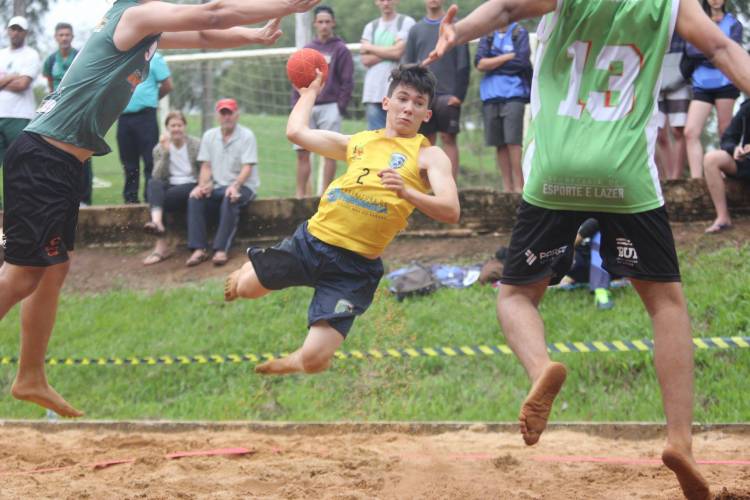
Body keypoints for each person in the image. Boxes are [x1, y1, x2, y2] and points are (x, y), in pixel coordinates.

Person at [426, 1, 750, 498]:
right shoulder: (668, 4)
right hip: (625, 173)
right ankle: (680, 442)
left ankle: (542, 369)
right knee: (665, 305)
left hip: (556, 170)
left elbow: (508, 7)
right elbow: (723, 47)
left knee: (515, 296)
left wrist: (458, 31)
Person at [0, 0, 320, 418]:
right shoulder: (134, 16)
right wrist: (286, 5)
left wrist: (253, 35)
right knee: (23, 275)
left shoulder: (145, 29)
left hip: (60, 163)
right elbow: (211, 14)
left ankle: (30, 375)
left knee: (52, 270)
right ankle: (29, 374)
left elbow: (204, 33)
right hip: (43, 157)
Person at [223, 64, 459, 376]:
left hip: (353, 269)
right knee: (247, 289)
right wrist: (309, 94)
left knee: (315, 361)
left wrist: (407, 192)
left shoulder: (429, 156)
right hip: (311, 242)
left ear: (426, 115)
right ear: (386, 103)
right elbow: (296, 132)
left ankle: (292, 362)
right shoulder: (358, 141)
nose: (408, 108)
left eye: (418, 103)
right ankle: (245, 271)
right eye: (402, 99)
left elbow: (451, 210)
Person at [186, 98, 259, 267]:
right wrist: (203, 185)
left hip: (245, 186)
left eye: (230, 113)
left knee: (230, 198)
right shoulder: (209, 136)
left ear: (237, 115)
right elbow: (205, 166)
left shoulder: (247, 135)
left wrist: (235, 186)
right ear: (218, 116)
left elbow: (247, 168)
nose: (227, 117)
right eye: (223, 113)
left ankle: (221, 249)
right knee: (195, 197)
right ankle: (198, 249)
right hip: (218, 186)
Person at [292, 5, 354, 198]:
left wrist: (339, 106)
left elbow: (347, 80)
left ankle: (325, 194)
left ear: (333, 23)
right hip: (308, 106)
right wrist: (298, 103)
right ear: (315, 24)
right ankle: (300, 195)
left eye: (328, 21)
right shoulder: (307, 50)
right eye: (320, 21)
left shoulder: (341, 49)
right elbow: (295, 79)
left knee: (329, 152)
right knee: (302, 152)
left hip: (330, 106)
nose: (324, 25)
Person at [404, 0, 470, 178]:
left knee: (449, 139)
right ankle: (424, 186)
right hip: (423, 95)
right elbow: (408, 64)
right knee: (424, 141)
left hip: (448, 95)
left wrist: (459, 94)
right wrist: (412, 94)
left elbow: (464, 63)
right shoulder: (415, 30)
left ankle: (450, 187)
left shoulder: (455, 27)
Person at [683, 0, 742, 179]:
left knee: (725, 130)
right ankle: (696, 179)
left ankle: (725, 175)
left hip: (726, 83)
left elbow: (733, 51)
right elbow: (691, 49)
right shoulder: (698, 20)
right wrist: (716, 52)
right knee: (690, 131)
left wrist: (711, 50)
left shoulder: (733, 23)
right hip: (702, 84)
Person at [474, 21, 531, 193]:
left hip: (514, 94)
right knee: (499, 143)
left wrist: (492, 62)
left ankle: (519, 186)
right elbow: (480, 64)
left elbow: (521, 62)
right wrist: (507, 57)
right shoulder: (488, 34)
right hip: (491, 96)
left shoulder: (520, 32)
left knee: (513, 141)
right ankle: (507, 187)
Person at [43, 22, 95, 206]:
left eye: (67, 34)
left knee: (83, 153)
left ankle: (85, 199)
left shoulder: (81, 56)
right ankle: (60, 197)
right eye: (61, 35)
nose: (64, 38)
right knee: (58, 154)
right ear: (56, 37)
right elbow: (50, 86)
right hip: (59, 114)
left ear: (72, 37)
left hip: (80, 111)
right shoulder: (50, 60)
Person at [142, 110, 201, 265]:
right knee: (153, 184)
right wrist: (166, 153)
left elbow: (204, 170)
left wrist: (202, 186)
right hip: (171, 186)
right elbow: (157, 175)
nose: (176, 129)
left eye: (179, 125)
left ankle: (160, 246)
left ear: (185, 126)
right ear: (167, 128)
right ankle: (157, 223)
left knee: (157, 200)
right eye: (172, 125)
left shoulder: (196, 145)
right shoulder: (159, 148)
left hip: (191, 185)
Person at [117, 50, 172, 203]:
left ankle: (151, 198)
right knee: (129, 162)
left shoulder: (156, 58)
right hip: (124, 118)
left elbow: (168, 85)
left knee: (150, 160)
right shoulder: (123, 58)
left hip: (146, 117)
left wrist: (152, 99)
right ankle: (130, 199)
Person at [360, 0, 416, 130]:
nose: (386, 3)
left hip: (400, 91)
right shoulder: (371, 26)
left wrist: (370, 47)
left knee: (399, 137)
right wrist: (390, 50)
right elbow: (365, 59)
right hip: (373, 92)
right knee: (376, 140)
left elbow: (397, 53)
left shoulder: (406, 22)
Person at [703, 98, 750, 233]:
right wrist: (735, 148)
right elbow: (727, 138)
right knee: (711, 158)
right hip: (746, 162)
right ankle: (723, 218)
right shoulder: (747, 106)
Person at [0, 16, 39, 168]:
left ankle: (18, 193)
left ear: (25, 33)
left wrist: (2, 82)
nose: (16, 33)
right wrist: (12, 76)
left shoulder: (31, 54)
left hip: (19, 116)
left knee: (19, 163)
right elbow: (18, 80)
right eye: (13, 29)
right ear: (8, 31)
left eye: (19, 30)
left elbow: (23, 84)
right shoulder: (1, 54)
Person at [656, 32, 690, 180]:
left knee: (678, 130)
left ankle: (675, 178)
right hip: (656, 84)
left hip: (679, 83)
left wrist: (682, 74)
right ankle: (667, 178)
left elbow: (692, 54)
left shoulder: (684, 26)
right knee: (658, 133)